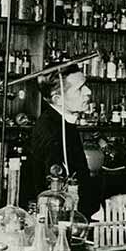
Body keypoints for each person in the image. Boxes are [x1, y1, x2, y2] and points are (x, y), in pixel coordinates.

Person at [25, 63, 100, 216]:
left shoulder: (63, 123)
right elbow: (56, 195)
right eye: (80, 89)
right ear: (58, 99)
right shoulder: (51, 131)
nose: (88, 92)